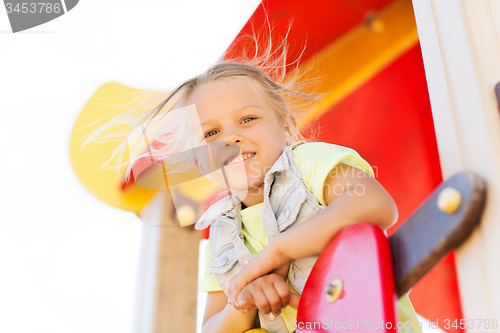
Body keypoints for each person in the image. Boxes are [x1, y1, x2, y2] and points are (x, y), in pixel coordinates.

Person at [84, 27, 423, 333]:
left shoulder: (308, 163)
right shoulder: (220, 233)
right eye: (212, 133)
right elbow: (212, 327)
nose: (231, 138)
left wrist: (276, 253)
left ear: (287, 126)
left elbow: (374, 205)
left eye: (247, 119)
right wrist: (244, 301)